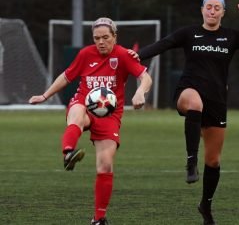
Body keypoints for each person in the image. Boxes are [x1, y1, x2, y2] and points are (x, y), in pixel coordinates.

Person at [130, 0, 239, 225]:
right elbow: (164, 44)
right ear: (202, 9)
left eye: (217, 8)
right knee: (195, 104)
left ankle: (206, 205)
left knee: (213, 161)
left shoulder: (231, 37)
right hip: (188, 90)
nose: (212, 11)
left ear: (223, 12)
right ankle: (191, 160)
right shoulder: (189, 33)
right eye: (209, 7)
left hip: (217, 101)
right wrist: (138, 54)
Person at [28, 17, 152, 225]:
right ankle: (68, 152)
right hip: (84, 103)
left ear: (114, 37)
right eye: (97, 38)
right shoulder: (86, 54)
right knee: (76, 112)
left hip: (110, 115)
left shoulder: (122, 55)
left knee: (105, 165)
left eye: (105, 37)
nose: (101, 42)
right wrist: (45, 96)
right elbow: (67, 77)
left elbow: (145, 77)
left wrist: (140, 92)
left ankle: (99, 219)